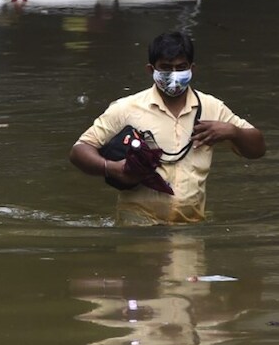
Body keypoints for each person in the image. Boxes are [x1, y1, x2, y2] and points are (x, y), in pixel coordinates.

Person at [69, 31, 266, 225]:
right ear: (150, 69)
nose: (174, 75)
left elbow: (258, 150)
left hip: (191, 228)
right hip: (138, 229)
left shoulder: (212, 108)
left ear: (192, 68)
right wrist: (112, 168)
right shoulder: (127, 108)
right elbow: (79, 150)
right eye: (166, 68)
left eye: (181, 67)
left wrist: (233, 132)